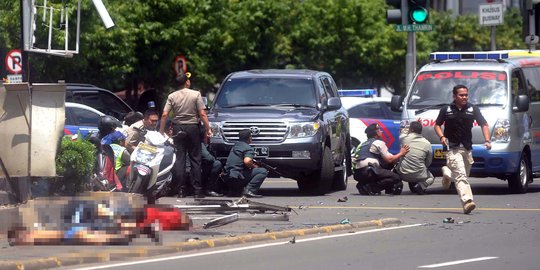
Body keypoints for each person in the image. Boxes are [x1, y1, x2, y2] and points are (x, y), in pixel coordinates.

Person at [434, 84, 491, 214]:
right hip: (451, 147)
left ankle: (447, 174)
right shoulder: (446, 109)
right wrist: (442, 136)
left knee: (463, 175)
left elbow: (484, 124)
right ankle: (467, 201)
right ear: (455, 96)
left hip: (466, 147)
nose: (464, 97)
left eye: (466, 95)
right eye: (461, 95)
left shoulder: (473, 109)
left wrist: (487, 140)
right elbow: (437, 125)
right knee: (460, 175)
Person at [159, 72, 211, 199]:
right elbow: (202, 113)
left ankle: (181, 190)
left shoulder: (172, 96)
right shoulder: (196, 94)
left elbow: (165, 114)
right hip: (193, 127)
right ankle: (197, 190)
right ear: (187, 82)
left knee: (180, 160)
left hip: (178, 128)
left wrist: (161, 131)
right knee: (195, 159)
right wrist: (208, 128)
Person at [352, 123, 409, 195]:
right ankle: (371, 188)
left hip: (358, 173)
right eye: (379, 130)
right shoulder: (378, 142)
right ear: (376, 133)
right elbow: (389, 159)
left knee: (385, 168)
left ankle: (363, 185)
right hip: (369, 170)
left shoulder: (362, 144)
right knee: (396, 177)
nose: (381, 132)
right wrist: (401, 153)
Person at [223, 129, 268, 198]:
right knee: (263, 171)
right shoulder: (248, 148)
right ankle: (249, 190)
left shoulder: (235, 146)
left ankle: (234, 191)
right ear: (249, 138)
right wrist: (254, 166)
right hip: (237, 178)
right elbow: (247, 161)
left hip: (227, 178)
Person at [395, 121, 434, 195]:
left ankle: (397, 184)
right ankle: (421, 186)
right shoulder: (427, 143)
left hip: (403, 174)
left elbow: (403, 130)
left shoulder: (404, 138)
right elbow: (429, 161)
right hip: (419, 175)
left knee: (395, 168)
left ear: (411, 129)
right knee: (431, 178)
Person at [200, 128, 224, 197]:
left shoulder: (208, 144)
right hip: (199, 169)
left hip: (203, 168)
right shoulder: (201, 144)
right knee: (217, 164)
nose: (211, 134)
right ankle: (208, 189)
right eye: (209, 132)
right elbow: (209, 158)